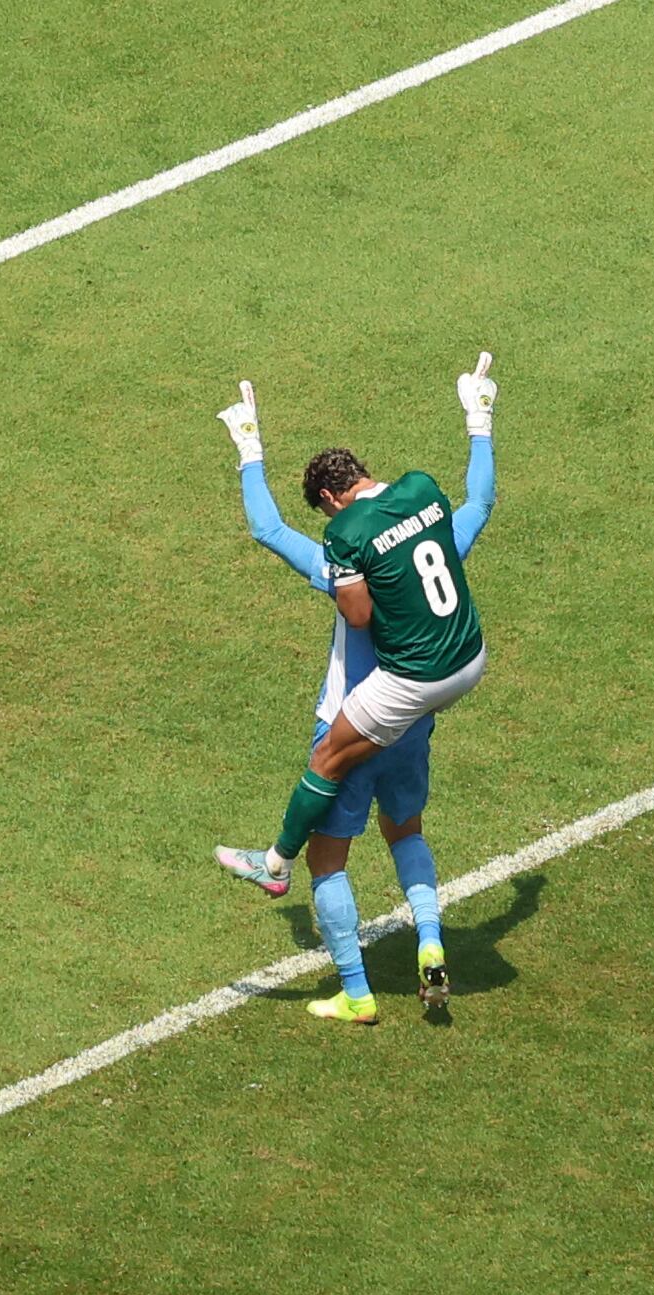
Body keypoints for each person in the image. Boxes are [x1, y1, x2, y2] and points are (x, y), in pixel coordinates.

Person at [212, 355, 498, 1023]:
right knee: (405, 832)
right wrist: (479, 419)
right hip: (419, 715)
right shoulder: (433, 530)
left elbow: (267, 530)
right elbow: (477, 500)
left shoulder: (339, 555)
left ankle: (356, 991)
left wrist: (247, 446)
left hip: (355, 713)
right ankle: (429, 940)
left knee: (328, 861)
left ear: (330, 501)